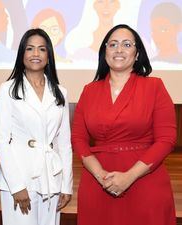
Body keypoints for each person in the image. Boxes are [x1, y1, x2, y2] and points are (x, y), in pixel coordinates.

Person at [71, 24, 176, 225]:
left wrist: (129, 177)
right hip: (98, 182)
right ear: (105, 52)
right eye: (113, 44)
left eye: (127, 44)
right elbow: (78, 138)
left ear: (137, 54)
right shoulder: (89, 90)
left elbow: (166, 139)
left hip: (144, 181)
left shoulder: (154, 87)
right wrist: (100, 174)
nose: (119, 50)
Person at [0, 28, 73, 225]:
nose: (36, 54)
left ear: (49, 56)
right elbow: (2, 141)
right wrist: (16, 186)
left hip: (51, 177)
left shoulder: (60, 92)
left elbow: (64, 143)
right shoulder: (7, 89)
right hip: (20, 177)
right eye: (30, 48)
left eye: (42, 49)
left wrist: (66, 185)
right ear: (22, 54)